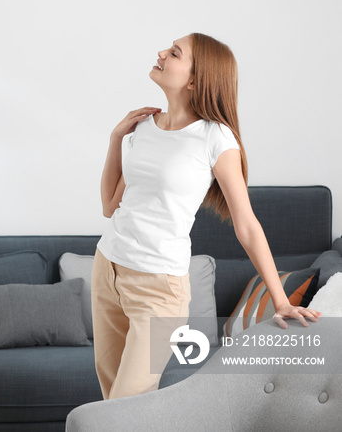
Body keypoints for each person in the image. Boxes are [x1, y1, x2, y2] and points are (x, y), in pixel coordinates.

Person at [92, 32, 322, 400]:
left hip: (160, 290)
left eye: (174, 53)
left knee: (126, 406)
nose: (161, 53)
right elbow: (109, 206)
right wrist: (115, 138)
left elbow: (246, 224)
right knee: (107, 405)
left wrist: (280, 301)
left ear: (196, 79)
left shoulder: (216, 138)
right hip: (108, 269)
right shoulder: (141, 128)